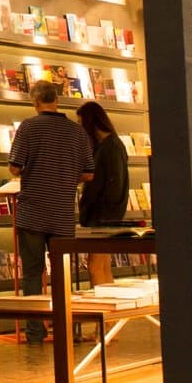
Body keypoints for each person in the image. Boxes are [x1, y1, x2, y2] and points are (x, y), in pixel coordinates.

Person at [7, 80, 94, 341]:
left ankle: (35, 332)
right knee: (62, 273)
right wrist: (65, 177)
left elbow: (15, 167)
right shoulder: (77, 132)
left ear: (35, 101)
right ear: (57, 99)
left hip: (32, 211)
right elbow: (89, 173)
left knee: (33, 273)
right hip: (62, 214)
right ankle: (68, 328)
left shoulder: (28, 127)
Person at [75, 100, 130, 285]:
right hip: (106, 217)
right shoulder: (110, 145)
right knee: (102, 265)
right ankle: (108, 308)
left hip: (103, 218)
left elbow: (111, 185)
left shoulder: (110, 147)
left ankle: (100, 309)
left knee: (95, 265)